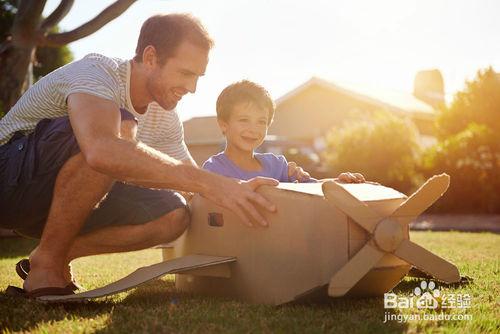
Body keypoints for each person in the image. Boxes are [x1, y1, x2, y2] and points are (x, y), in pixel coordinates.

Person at [0, 14, 279, 298]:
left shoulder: (165, 117)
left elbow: (191, 183)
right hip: (8, 181)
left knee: (174, 212)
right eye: (185, 73)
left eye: (197, 76)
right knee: (118, 133)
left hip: (54, 206)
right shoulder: (97, 73)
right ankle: (47, 268)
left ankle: (52, 255)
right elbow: (102, 150)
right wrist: (209, 183)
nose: (193, 87)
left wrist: (237, 191)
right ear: (150, 58)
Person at [202, 80, 366, 184]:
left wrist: (338, 182)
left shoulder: (277, 166)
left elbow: (313, 189)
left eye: (261, 122)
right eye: (244, 120)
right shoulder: (213, 170)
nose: (253, 129)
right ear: (223, 124)